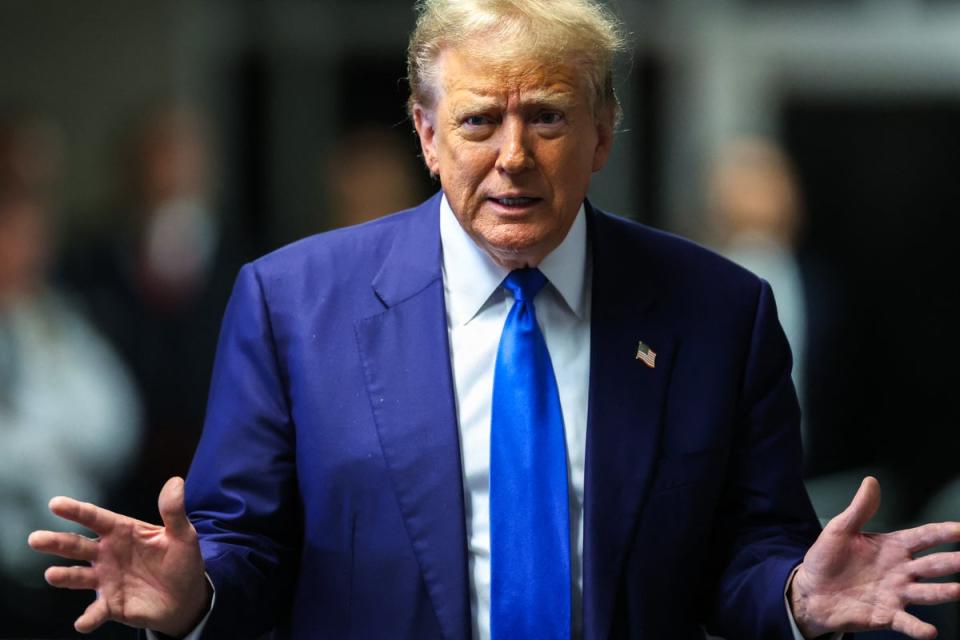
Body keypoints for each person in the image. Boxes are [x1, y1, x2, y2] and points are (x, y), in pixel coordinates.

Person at [28, 1, 960, 639]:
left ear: (603, 133)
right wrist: (199, 594)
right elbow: (249, 546)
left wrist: (798, 595)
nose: (513, 157)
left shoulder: (720, 312)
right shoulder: (291, 303)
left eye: (548, 118)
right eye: (479, 122)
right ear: (427, 135)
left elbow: (748, 551)